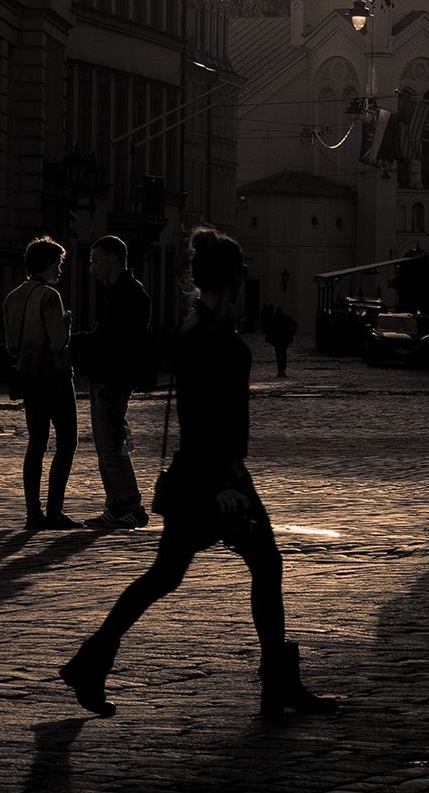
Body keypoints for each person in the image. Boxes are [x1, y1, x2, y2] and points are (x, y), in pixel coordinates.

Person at [58, 228, 336, 718]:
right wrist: (225, 488)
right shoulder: (207, 337)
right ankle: (274, 682)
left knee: (178, 574)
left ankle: (92, 661)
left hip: (206, 473)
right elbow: (205, 419)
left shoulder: (201, 329)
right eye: (241, 277)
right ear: (229, 281)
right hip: (214, 476)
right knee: (249, 567)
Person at [71, 236, 152, 531]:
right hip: (107, 375)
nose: (91, 267)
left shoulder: (128, 294)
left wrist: (71, 340)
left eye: (96, 260)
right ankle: (116, 505)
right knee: (106, 445)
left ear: (114, 258)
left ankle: (130, 506)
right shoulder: (118, 292)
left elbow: (111, 340)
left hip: (112, 377)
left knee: (111, 445)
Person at [3, 236, 78, 530]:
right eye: (58, 263)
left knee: (36, 443)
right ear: (47, 264)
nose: (60, 270)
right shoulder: (49, 296)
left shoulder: (13, 296)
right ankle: (54, 511)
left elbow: (11, 345)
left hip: (28, 378)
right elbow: (58, 343)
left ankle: (33, 512)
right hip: (55, 378)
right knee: (66, 442)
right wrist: (66, 323)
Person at [266, 306, 297, 377]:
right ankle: (282, 369)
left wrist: (268, 338)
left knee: (278, 354)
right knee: (283, 354)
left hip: (277, 340)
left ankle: (280, 369)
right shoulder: (286, 318)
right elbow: (295, 323)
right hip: (284, 339)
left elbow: (269, 329)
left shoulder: (274, 319)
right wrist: (292, 333)